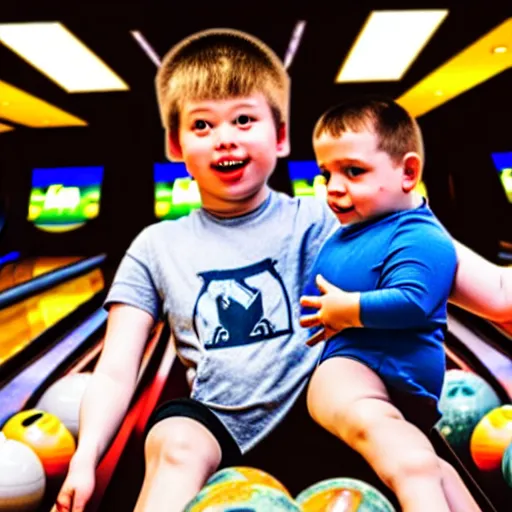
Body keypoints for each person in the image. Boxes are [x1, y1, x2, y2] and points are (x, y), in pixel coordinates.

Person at [53, 28, 512, 512]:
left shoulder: (326, 218)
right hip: (217, 422)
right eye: (203, 125)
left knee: (419, 456)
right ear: (174, 143)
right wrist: (85, 458)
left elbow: (461, 275)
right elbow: (116, 370)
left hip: (323, 412)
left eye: (245, 119)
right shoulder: (155, 246)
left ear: (282, 136)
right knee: (173, 441)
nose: (225, 138)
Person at [298, 96, 484, 512]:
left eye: (353, 171)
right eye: (326, 173)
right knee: (414, 460)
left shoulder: (421, 236)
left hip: (398, 384)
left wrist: (346, 310)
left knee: (430, 464)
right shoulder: (350, 233)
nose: (335, 187)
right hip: (350, 376)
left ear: (409, 172)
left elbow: (414, 300)